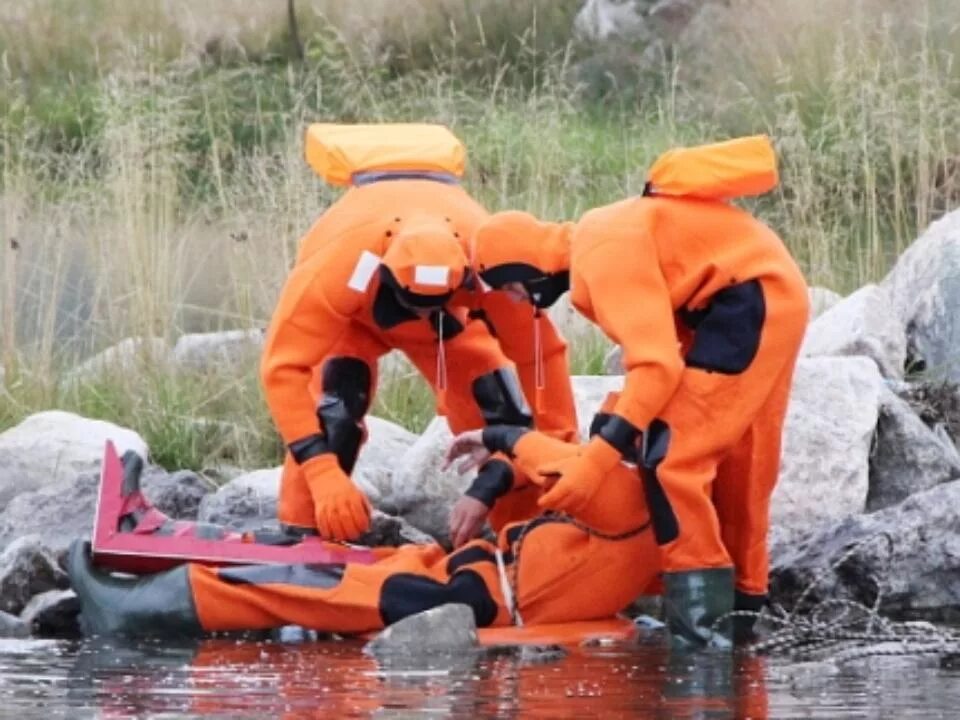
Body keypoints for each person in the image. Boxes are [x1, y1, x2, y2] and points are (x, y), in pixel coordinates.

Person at [469, 135, 810, 648]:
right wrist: (621, 427)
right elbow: (661, 355)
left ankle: (701, 635)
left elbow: (655, 366)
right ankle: (741, 612)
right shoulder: (605, 234)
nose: (517, 301)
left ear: (520, 267)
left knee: (673, 457)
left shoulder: (598, 254)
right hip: (767, 296)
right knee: (741, 457)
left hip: (744, 303)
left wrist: (597, 459)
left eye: (510, 290)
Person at [260, 123, 577, 547]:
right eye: (415, 301)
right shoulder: (340, 267)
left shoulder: (488, 258)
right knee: (335, 409)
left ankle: (525, 535)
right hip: (358, 318)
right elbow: (282, 369)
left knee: (501, 412)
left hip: (451, 326)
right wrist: (321, 473)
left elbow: (542, 354)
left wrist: (557, 448)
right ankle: (302, 530)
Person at [67, 419, 657, 639]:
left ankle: (132, 611)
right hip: (462, 574)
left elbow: (562, 462)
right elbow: (562, 471)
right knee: (322, 555)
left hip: (467, 599)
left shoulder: (631, 498)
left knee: (310, 583)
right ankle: (151, 545)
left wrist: (498, 436)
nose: (601, 438)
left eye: (613, 429)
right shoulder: (653, 511)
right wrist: (490, 486)